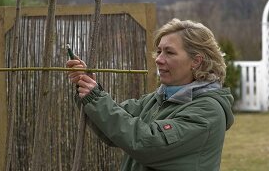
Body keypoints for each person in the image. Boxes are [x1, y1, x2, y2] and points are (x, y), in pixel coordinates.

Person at [67, 18, 234, 171]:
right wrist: (87, 87)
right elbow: (112, 128)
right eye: (159, 51)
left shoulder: (208, 111)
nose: (158, 59)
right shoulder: (159, 99)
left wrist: (96, 98)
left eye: (169, 52)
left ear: (196, 61)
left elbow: (147, 144)